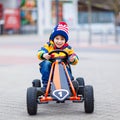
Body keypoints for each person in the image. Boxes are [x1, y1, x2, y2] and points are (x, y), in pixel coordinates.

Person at [37, 21, 79, 94]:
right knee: (46, 63)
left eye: (62, 39)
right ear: (53, 39)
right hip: (50, 70)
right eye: (57, 38)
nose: (59, 41)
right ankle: (46, 86)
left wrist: (72, 59)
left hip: (63, 67)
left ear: (65, 41)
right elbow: (40, 52)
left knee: (65, 67)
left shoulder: (68, 49)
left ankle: (70, 85)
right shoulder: (48, 46)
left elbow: (74, 56)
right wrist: (44, 55)